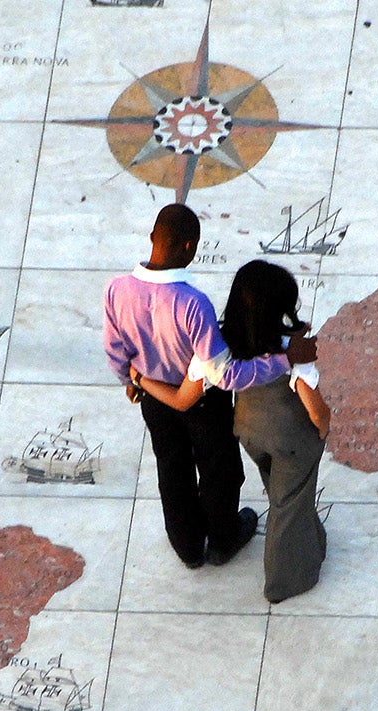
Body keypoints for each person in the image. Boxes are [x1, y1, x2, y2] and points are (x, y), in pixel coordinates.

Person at [103, 205, 319, 570]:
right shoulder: (192, 304)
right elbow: (225, 375)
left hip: (154, 398)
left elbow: (114, 352)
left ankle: (187, 547)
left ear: (153, 237)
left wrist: (133, 382)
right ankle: (223, 539)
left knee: (172, 469)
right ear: (190, 247)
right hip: (204, 404)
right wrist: (285, 360)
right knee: (219, 470)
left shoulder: (116, 290)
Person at [133, 260, 330, 604]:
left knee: (280, 490)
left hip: (250, 433)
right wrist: (323, 426)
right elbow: (312, 404)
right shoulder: (293, 347)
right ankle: (283, 582)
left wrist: (140, 379)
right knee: (288, 502)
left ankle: (306, 536)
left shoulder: (217, 345)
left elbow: (182, 399)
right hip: (290, 438)